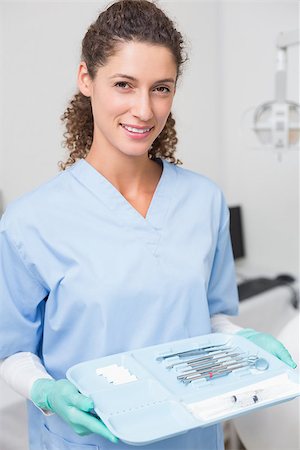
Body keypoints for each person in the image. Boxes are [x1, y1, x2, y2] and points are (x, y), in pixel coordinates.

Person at [0, 1, 296, 449]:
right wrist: (45, 392)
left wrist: (247, 340)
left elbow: (210, 318)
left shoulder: (203, 201)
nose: (144, 109)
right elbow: (13, 351)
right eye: (124, 84)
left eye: (161, 88)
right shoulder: (30, 222)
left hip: (192, 434)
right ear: (86, 79)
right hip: (90, 440)